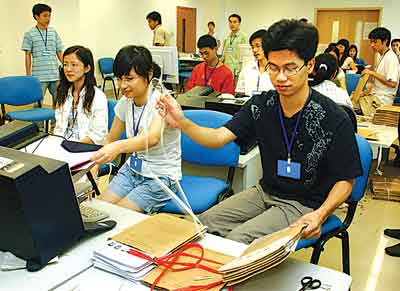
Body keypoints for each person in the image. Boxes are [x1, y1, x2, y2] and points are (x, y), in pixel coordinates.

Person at [157, 19, 362, 244]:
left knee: (238, 241)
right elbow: (217, 139)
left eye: (291, 68)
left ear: (310, 65)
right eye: (273, 67)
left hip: (305, 204)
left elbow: (347, 180)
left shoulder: (333, 116)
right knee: (202, 224)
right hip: (264, 192)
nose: (280, 77)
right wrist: (182, 122)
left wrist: (320, 214)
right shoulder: (262, 105)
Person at [91, 45, 181, 213]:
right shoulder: (126, 102)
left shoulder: (163, 101)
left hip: (160, 176)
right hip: (132, 170)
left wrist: (118, 147)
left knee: (118, 214)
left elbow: (152, 138)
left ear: (149, 74)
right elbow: (111, 139)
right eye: (119, 79)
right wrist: (95, 166)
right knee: (99, 210)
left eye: (129, 78)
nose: (122, 85)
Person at [53, 46, 108, 144]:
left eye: (74, 65)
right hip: (62, 144)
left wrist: (74, 146)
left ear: (87, 68)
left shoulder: (98, 97)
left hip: (84, 147)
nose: (68, 69)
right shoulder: (63, 92)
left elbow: (97, 135)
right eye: (65, 64)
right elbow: (58, 127)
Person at [21, 3, 63, 108]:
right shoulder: (29, 34)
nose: (48, 18)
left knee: (59, 101)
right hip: (39, 76)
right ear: (36, 16)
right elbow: (27, 55)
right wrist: (28, 75)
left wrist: (66, 66)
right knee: (38, 103)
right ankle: (39, 125)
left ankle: (56, 124)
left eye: (49, 15)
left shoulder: (53, 32)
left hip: (55, 74)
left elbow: (59, 52)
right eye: (45, 16)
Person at [360, 27, 400, 105]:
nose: (372, 45)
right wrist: (365, 92)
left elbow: (392, 84)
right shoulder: (382, 56)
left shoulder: (391, 58)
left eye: (375, 42)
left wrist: (372, 73)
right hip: (376, 95)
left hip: (382, 100)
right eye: (371, 42)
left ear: (385, 41)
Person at [236, 29, 274, 97]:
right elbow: (239, 93)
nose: (254, 50)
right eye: (252, 47)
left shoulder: (275, 70)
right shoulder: (246, 69)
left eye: (258, 46)